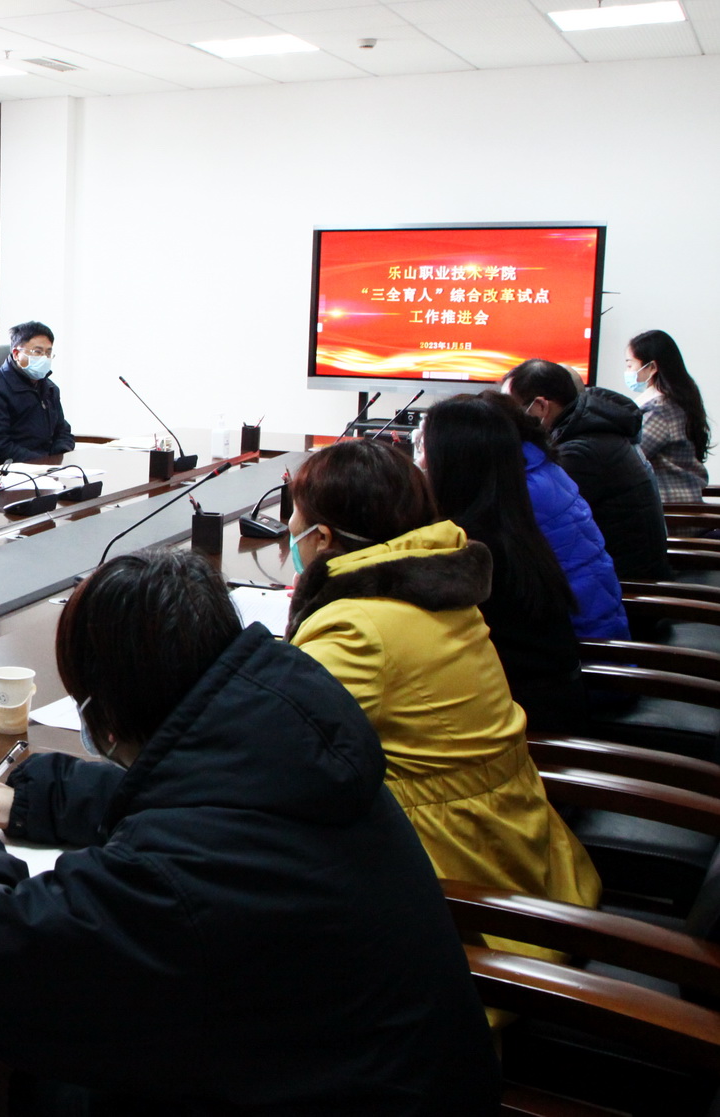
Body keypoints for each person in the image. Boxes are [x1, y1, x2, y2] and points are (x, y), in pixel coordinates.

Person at [0, 549, 499, 1114]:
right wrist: (41, 797)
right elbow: (205, 796)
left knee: (40, 1069)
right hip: (403, 1078)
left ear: (105, 717)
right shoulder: (294, 727)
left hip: (333, 1096)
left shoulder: (175, 878)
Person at [285, 438, 600, 966]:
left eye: (293, 525)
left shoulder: (358, 627)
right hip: (520, 860)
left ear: (322, 539)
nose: (290, 536)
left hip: (464, 913)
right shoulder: (433, 584)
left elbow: (275, 747)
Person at [421, 394, 606, 732]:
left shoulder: (470, 548)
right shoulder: (513, 524)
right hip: (551, 703)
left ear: (454, 464)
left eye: (425, 451)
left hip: (528, 728)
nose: (420, 463)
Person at [502, 359, 673, 582]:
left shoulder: (579, 452)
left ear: (541, 406)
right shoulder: (589, 430)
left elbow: (533, 520)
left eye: (513, 411)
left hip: (626, 583)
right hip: (617, 570)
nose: (509, 421)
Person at [0, 321, 74, 464]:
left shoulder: (49, 388)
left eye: (48, 353)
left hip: (46, 468)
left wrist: (58, 455)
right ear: (17, 354)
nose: (44, 358)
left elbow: (63, 431)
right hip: (10, 470)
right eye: (37, 352)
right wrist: (42, 462)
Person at [626, 329, 709, 507]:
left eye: (630, 365)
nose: (627, 371)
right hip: (681, 504)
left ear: (652, 367)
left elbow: (628, 458)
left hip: (670, 509)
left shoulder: (660, 409)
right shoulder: (678, 399)